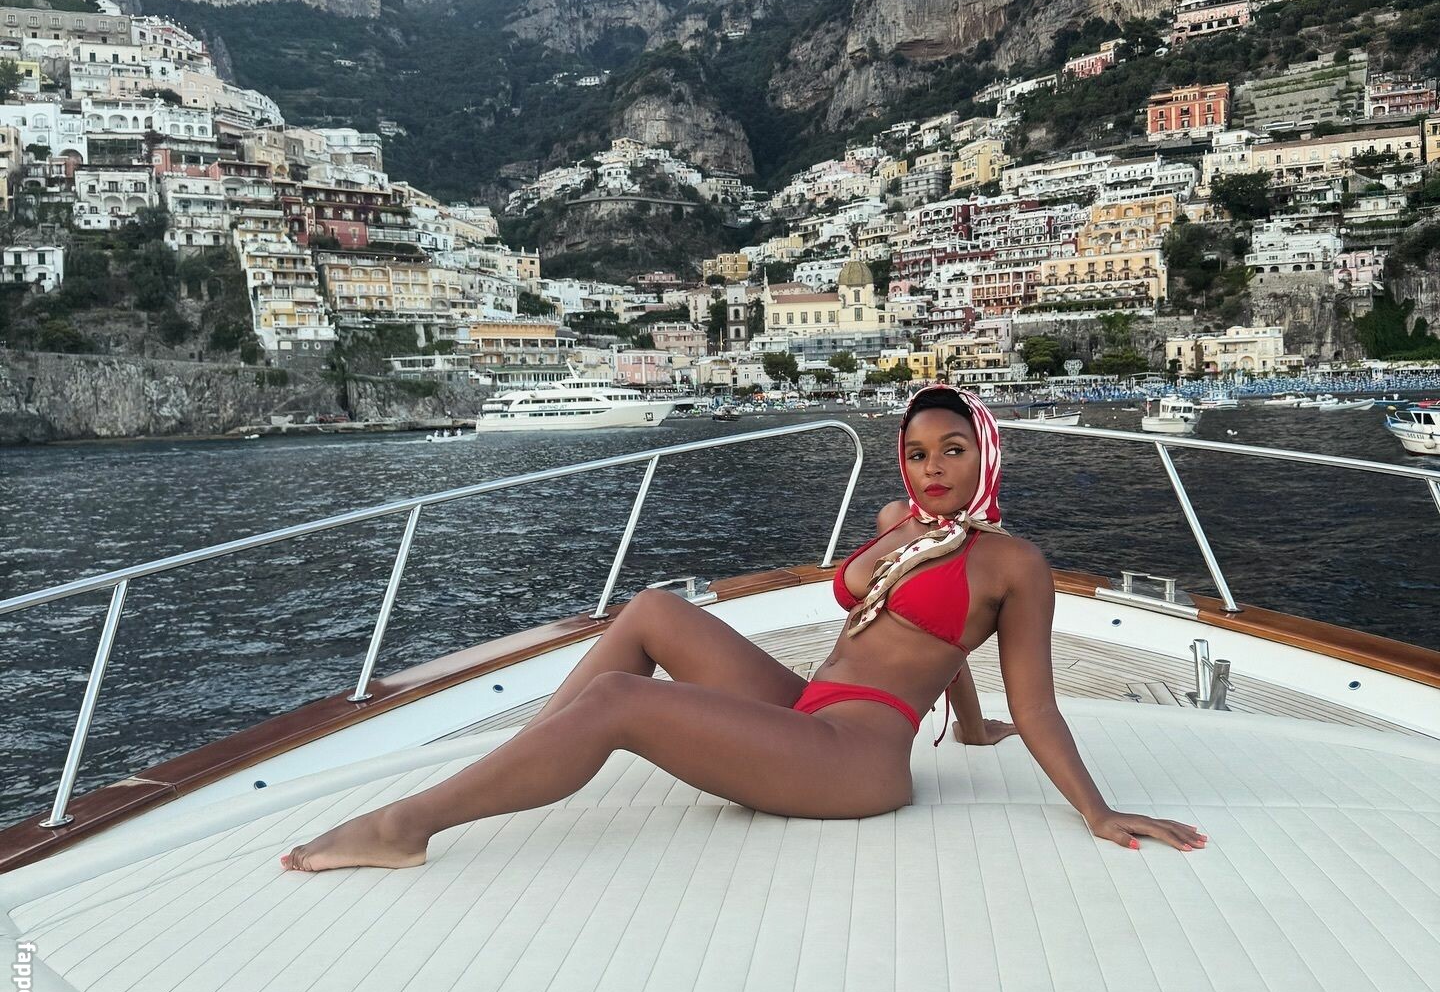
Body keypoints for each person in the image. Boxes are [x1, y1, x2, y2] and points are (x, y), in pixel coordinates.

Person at [281, 382, 1206, 871]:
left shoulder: (1015, 565)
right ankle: (526, 757)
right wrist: (963, 725)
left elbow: (1034, 705)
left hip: (857, 760)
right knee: (652, 611)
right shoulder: (901, 526)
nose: (932, 469)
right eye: (918, 452)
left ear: (986, 453)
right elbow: (931, 638)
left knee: (618, 701)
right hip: (810, 709)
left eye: (953, 450)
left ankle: (408, 825)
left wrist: (1097, 811)